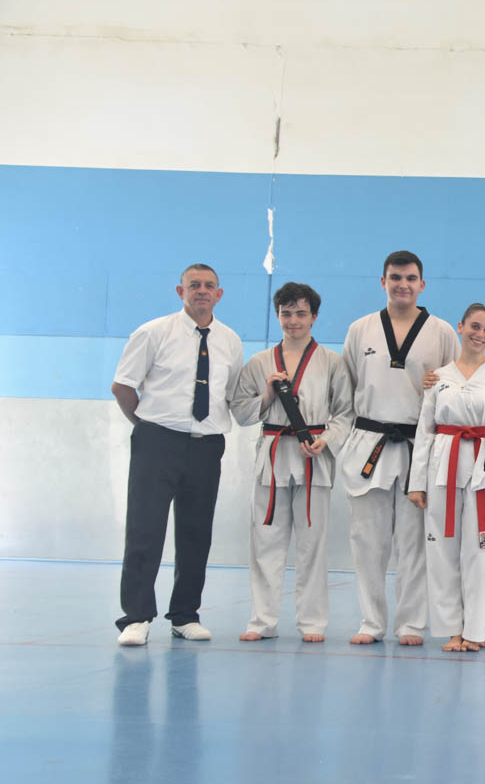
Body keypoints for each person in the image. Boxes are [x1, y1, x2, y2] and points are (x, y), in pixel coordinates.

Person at [113, 264, 244, 645]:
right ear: (180, 291)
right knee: (145, 529)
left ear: (219, 294)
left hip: (206, 445)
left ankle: (185, 616)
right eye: (194, 285)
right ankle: (136, 617)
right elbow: (122, 387)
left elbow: (231, 395)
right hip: (158, 441)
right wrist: (148, 426)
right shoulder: (153, 332)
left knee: (196, 533)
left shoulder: (230, 340)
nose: (202, 290)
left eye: (209, 286)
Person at [341, 251, 460, 646]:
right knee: (368, 542)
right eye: (395, 277)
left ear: (422, 284)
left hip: (417, 446)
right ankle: (370, 622)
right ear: (383, 282)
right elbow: (350, 385)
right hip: (369, 443)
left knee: (414, 543)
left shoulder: (441, 331)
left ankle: (410, 624)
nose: (402, 284)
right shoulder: (360, 329)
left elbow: (455, 388)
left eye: (410, 278)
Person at [230, 282, 353, 642]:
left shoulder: (333, 362)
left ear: (314, 317)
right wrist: (267, 396)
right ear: (278, 315)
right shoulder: (259, 363)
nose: (293, 320)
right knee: (265, 542)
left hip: (313, 456)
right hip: (272, 455)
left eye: (301, 313)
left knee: (312, 543)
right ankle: (262, 621)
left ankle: (312, 622)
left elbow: (345, 413)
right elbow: (240, 412)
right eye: (286, 313)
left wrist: (326, 440)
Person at [407, 303, 485, 652]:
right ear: (460, 326)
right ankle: (451, 630)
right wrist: (417, 482)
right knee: (442, 548)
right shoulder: (439, 377)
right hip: (444, 462)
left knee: (482, 549)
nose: (480, 334)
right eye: (475, 326)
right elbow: (425, 429)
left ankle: (474, 630)